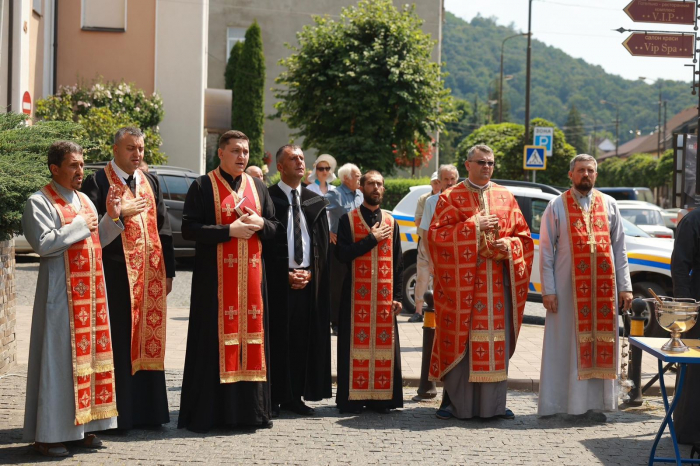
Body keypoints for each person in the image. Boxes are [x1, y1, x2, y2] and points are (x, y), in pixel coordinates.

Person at [23, 141, 123, 456]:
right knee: (58, 364)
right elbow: (42, 243)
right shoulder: (38, 202)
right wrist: (80, 226)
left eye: (82, 164)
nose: (80, 171)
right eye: (73, 165)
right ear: (55, 169)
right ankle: (49, 435)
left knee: (88, 363)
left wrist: (111, 218)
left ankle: (81, 429)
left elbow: (97, 240)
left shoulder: (84, 201)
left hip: (91, 298)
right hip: (59, 299)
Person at [177, 130, 279, 432]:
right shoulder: (202, 185)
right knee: (212, 343)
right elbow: (189, 229)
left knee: (253, 344)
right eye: (235, 151)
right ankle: (211, 413)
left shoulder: (258, 186)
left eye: (245, 152)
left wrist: (261, 224)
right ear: (220, 153)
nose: (241, 157)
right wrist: (227, 231)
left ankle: (252, 412)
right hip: (215, 286)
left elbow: (274, 226)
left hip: (253, 286)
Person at [427, 144, 533, 420]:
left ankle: (494, 406)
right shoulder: (450, 197)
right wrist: (474, 227)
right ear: (468, 165)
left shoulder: (506, 197)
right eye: (481, 162)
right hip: (464, 289)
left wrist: (508, 246)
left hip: (497, 288)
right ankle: (451, 403)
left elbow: (524, 238)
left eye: (490, 163)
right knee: (461, 342)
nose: (487, 167)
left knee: (494, 346)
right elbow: (437, 239)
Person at [81, 127, 175, 430]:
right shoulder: (96, 181)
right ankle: (119, 416)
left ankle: (149, 413)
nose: (137, 155)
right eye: (131, 149)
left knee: (148, 340)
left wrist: (169, 271)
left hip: (149, 279)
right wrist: (121, 214)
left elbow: (165, 229)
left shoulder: (150, 182)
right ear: (115, 149)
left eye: (141, 149)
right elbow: (89, 229)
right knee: (120, 342)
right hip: (115, 278)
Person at [537, 154, 632, 420]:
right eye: (581, 170)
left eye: (590, 170)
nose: (586, 175)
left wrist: (625, 287)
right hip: (567, 292)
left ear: (596, 175)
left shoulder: (610, 204)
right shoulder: (556, 205)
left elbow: (619, 249)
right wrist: (549, 290)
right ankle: (563, 405)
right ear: (571, 174)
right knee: (565, 346)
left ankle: (593, 406)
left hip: (602, 293)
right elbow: (546, 251)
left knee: (599, 346)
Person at [265, 145, 332, 417]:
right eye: (293, 158)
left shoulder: (314, 201)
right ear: (280, 166)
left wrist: (312, 273)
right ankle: (273, 396)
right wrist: (284, 274)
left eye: (302, 158)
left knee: (302, 341)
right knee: (276, 338)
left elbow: (323, 247)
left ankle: (295, 396)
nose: (300, 162)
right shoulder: (267, 199)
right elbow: (264, 247)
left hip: (307, 282)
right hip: (275, 282)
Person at [335, 170, 403, 414]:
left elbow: (398, 262)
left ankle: (382, 400)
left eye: (379, 184)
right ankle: (353, 399)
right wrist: (371, 239)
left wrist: (398, 297)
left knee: (385, 347)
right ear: (361, 188)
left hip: (384, 298)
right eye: (371, 183)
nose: (376, 187)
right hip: (355, 298)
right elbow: (341, 254)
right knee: (353, 347)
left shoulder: (391, 221)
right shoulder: (348, 219)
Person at [670, 205, 700, 443]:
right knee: (695, 374)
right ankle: (689, 431)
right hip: (698, 309)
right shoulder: (692, 221)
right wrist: (686, 309)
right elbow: (680, 267)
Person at [326, 163, 363, 335]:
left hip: (358, 246)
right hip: (339, 246)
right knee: (338, 284)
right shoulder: (334, 194)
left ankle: (354, 318)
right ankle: (336, 321)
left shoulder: (361, 195)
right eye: (357, 175)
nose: (360, 178)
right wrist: (326, 231)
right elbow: (314, 209)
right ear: (346, 178)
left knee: (356, 282)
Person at [410, 171, 441, 322]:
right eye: (434, 182)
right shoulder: (424, 199)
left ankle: (439, 312)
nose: (437, 185)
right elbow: (418, 221)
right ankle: (418, 311)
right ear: (431, 183)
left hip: (441, 242)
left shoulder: (448, 198)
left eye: (438, 182)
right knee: (422, 277)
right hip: (425, 242)